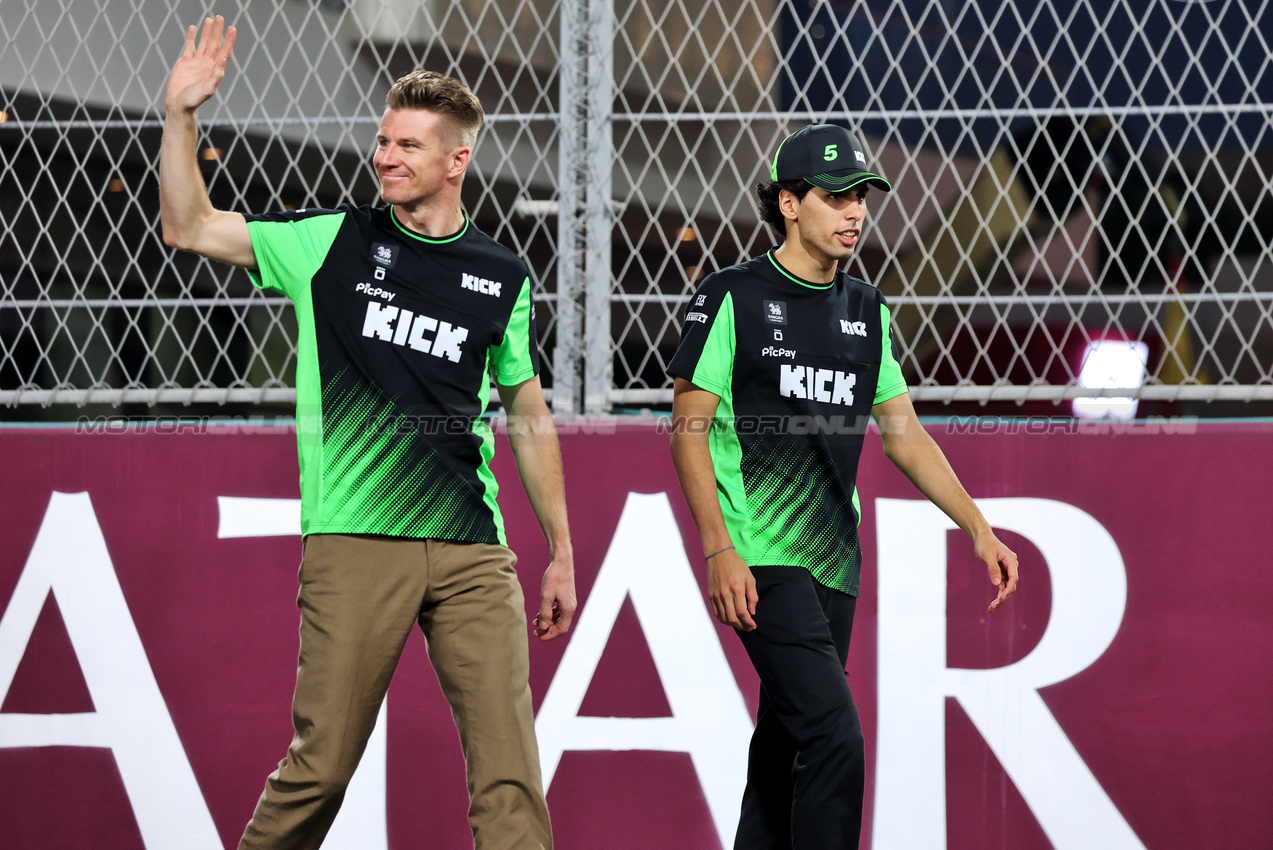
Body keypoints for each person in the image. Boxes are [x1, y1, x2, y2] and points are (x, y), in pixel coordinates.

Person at [160, 17, 575, 850]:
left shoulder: (500, 274)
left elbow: (526, 414)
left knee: (509, 778)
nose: (385, 156)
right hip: (355, 538)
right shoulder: (330, 241)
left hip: (471, 548)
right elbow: (191, 227)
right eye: (382, 142)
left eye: (408, 146)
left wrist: (559, 548)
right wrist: (180, 117)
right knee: (321, 769)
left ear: (457, 160)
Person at [666, 124, 1019, 850]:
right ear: (789, 204)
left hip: (834, 564)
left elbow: (904, 435)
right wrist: (717, 549)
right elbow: (688, 427)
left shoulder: (866, 310)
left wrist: (976, 527)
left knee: (784, 745)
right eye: (835, 197)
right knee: (834, 737)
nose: (854, 212)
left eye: (860, 196)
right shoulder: (731, 296)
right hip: (760, 557)